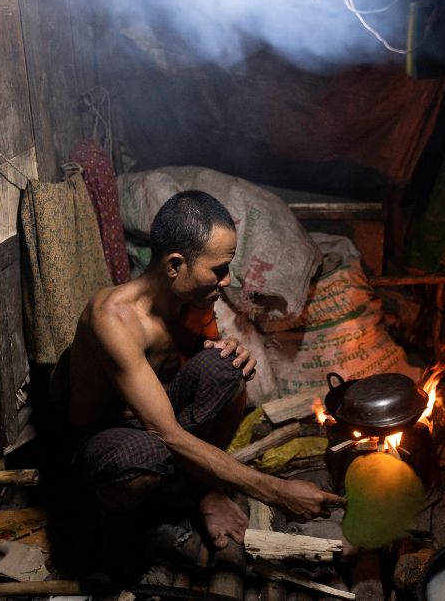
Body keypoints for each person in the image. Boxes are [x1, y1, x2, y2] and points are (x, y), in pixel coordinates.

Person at [66, 190, 345, 558]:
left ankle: (196, 491)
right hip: (105, 440)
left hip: (160, 423)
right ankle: (129, 520)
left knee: (227, 368)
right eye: (219, 269)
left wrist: (230, 356)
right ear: (174, 265)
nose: (227, 281)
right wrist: (276, 491)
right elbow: (166, 434)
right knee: (145, 458)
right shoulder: (114, 319)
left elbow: (207, 389)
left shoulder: (192, 303)